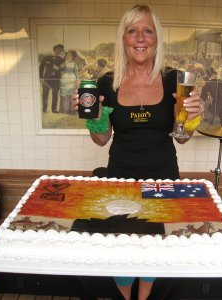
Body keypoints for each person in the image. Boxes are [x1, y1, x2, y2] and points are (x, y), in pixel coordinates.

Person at [73, 5, 204, 300]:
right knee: (122, 246)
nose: (140, 37)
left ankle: (143, 298)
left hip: (163, 177)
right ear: (123, 39)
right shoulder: (108, 82)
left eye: (148, 30)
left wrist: (192, 116)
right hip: (121, 177)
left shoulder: (174, 81)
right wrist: (93, 118)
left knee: (154, 245)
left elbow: (182, 138)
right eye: (132, 31)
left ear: (157, 38)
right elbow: (101, 140)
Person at [39, 44, 65, 113]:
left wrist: (58, 69)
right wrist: (41, 78)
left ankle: (54, 109)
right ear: (54, 49)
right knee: (45, 94)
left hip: (56, 80)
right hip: (46, 79)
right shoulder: (46, 58)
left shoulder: (62, 60)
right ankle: (44, 109)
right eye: (58, 50)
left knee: (55, 94)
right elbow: (41, 68)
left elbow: (64, 69)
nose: (59, 51)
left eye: (60, 50)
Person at [59, 49, 79, 114]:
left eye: (70, 55)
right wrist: (65, 63)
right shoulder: (63, 63)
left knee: (71, 95)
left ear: (73, 57)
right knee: (64, 95)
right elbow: (60, 68)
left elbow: (76, 73)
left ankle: (71, 110)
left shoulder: (74, 64)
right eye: (67, 55)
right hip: (64, 80)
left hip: (72, 80)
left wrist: (77, 80)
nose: (68, 56)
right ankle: (64, 109)